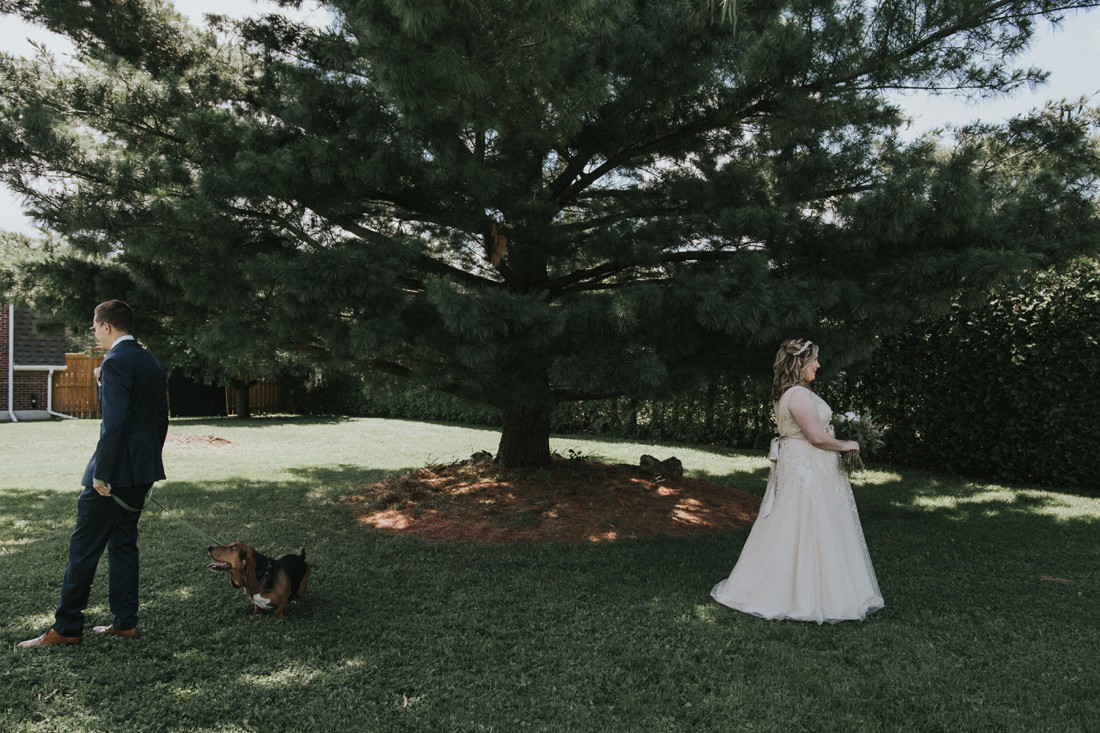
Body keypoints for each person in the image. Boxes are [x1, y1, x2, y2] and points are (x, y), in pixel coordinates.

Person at [19, 300, 168, 648]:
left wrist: (101, 473)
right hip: (143, 471)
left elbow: (114, 423)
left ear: (107, 327)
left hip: (112, 475)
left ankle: (67, 627)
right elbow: (161, 418)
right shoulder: (150, 360)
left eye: (94, 327)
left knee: (83, 548)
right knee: (123, 544)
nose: (94, 333)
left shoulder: (115, 362)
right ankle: (125, 623)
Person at [710, 338, 883, 623]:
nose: (819, 364)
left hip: (806, 463)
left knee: (798, 521)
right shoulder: (798, 395)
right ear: (800, 362)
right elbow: (815, 437)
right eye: (814, 359)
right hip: (807, 466)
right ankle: (806, 595)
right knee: (807, 523)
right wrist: (847, 444)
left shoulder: (792, 392)